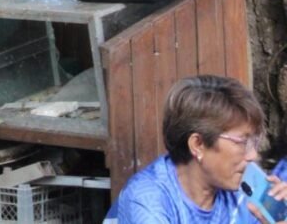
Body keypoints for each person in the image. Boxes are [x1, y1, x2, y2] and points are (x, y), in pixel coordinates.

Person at [113, 75, 287, 223]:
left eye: (254, 141)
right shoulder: (147, 200)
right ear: (198, 145)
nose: (253, 155)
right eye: (242, 142)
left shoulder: (243, 191)